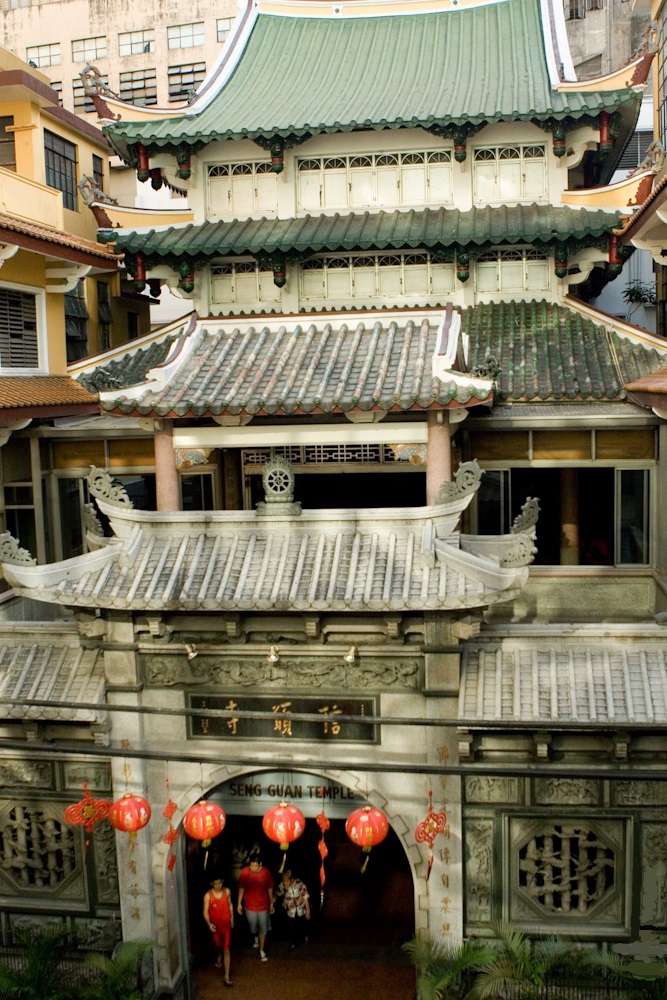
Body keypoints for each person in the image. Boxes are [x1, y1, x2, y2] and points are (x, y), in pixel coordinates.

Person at [236, 850, 275, 961]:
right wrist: (239, 903)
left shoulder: (266, 873)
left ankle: (261, 950)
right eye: (251, 865)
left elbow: (270, 888)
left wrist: (271, 903)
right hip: (249, 905)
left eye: (255, 866)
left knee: (263, 928)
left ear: (260, 864)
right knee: (253, 926)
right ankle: (255, 937)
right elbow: (241, 888)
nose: (252, 867)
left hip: (263, 905)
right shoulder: (244, 872)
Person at [203, 875, 234, 986]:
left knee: (227, 949)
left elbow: (230, 904)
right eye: (216, 883)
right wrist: (209, 924)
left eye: (220, 883)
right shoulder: (208, 895)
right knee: (217, 944)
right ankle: (218, 954)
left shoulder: (227, 891)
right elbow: (205, 911)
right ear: (212, 884)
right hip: (215, 927)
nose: (218, 885)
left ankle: (226, 976)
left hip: (226, 927)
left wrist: (232, 918)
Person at [276, 870, 311, 950]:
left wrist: (308, 912)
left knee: (301, 924)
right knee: (291, 926)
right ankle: (293, 942)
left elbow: (305, 898)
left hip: (300, 909)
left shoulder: (300, 884)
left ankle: (304, 935)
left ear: (292, 879)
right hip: (290, 910)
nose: (285, 882)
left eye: (287, 881)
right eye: (284, 880)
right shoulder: (282, 885)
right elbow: (277, 893)